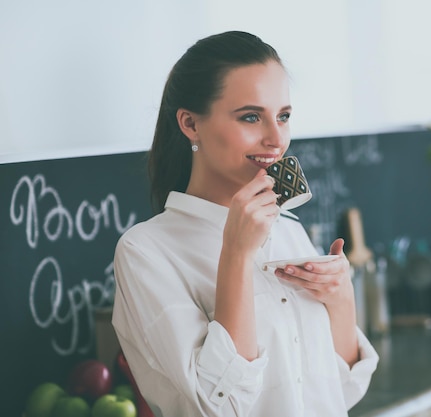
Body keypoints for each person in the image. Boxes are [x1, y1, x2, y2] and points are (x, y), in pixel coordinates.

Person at [111, 31, 379, 417]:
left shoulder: (289, 229)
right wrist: (236, 254)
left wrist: (340, 300)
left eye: (283, 116)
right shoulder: (145, 252)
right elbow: (218, 406)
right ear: (190, 124)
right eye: (251, 117)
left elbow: (343, 391)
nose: (276, 139)